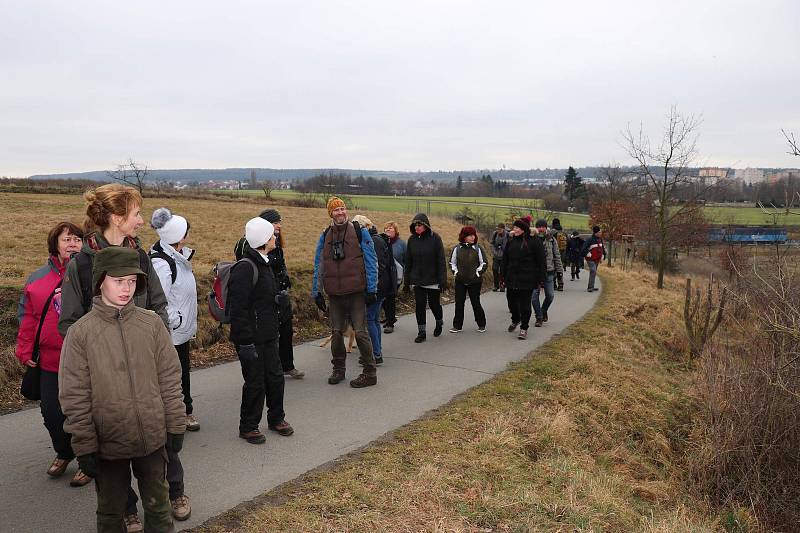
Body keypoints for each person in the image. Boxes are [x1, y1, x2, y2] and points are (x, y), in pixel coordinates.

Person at [57, 184, 189, 530]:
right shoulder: (82, 264)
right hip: (105, 379)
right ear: (117, 217)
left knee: (160, 451)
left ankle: (175, 492)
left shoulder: (141, 256)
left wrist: (153, 334)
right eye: (136, 214)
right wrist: (102, 341)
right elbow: (69, 324)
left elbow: (157, 303)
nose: (142, 221)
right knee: (113, 488)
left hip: (148, 371)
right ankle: (128, 510)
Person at [15, 221, 90, 487]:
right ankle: (64, 451)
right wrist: (24, 350)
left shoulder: (90, 274)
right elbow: (27, 318)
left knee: (83, 414)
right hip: (49, 360)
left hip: (84, 361)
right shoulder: (37, 279)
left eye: (77, 239)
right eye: (67, 239)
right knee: (51, 412)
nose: (72, 244)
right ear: (55, 244)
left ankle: (87, 461)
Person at [229, 217, 294, 444]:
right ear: (264, 240)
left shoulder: (264, 263)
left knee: (275, 377)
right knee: (255, 382)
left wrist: (277, 299)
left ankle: (277, 418)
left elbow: (260, 297)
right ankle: (248, 426)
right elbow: (237, 308)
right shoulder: (245, 268)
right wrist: (245, 342)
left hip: (268, 333)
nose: (276, 237)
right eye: (272, 235)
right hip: (251, 338)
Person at [311, 197, 378, 387]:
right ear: (330, 214)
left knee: (361, 332)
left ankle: (369, 373)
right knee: (336, 332)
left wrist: (372, 289)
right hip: (335, 294)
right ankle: (338, 370)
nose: (340, 212)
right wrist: (316, 291)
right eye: (335, 210)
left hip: (357, 292)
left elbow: (371, 262)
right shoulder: (325, 235)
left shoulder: (359, 232)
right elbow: (319, 264)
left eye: (342, 208)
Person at [234, 209, 304, 379]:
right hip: (264, 297)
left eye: (279, 221)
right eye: (275, 222)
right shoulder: (253, 244)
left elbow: (281, 264)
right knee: (271, 334)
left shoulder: (276, 242)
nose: (279, 225)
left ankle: (286, 365)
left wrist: (285, 280)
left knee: (286, 331)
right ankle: (269, 370)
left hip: (280, 293)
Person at [149, 208, 200, 432]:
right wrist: (176, 321)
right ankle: (179, 415)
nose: (189, 234)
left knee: (181, 371)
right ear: (179, 236)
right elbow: (160, 299)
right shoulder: (162, 263)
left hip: (180, 330)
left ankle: (183, 411)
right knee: (173, 375)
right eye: (186, 231)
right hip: (171, 331)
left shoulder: (177, 256)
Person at [353, 215, 396, 365]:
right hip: (382, 286)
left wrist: (371, 288)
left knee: (370, 320)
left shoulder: (372, 241)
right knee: (374, 320)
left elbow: (376, 266)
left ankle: (375, 354)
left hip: (377, 287)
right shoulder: (378, 238)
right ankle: (377, 351)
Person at [403, 213, 448, 343]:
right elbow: (408, 262)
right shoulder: (412, 240)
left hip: (433, 278)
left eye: (419, 224)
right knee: (420, 305)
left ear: (426, 225)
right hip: (417, 279)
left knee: (434, 305)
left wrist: (442, 280)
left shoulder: (435, 239)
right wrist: (407, 282)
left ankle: (439, 322)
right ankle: (421, 331)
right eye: (415, 225)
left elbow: (441, 261)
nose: (417, 227)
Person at [502, 218, 545, 340]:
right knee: (511, 303)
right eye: (514, 227)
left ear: (523, 229)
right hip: (511, 278)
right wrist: (503, 276)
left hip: (527, 279)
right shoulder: (511, 241)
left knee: (525, 305)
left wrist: (540, 279)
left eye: (517, 228)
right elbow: (505, 259)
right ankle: (516, 319)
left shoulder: (534, 241)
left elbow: (541, 261)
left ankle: (524, 328)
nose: (514, 230)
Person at [448, 226, 488, 333]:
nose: (473, 237)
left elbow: (484, 263)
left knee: (475, 303)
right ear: (464, 237)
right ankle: (457, 326)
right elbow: (452, 263)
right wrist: (456, 273)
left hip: (475, 281)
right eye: (470, 235)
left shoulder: (478, 248)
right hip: (460, 281)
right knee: (459, 303)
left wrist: (477, 273)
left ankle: (481, 324)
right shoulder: (457, 249)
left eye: (473, 235)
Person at [532, 219, 563, 327]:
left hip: (549, 272)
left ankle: (543, 310)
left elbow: (557, 256)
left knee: (550, 295)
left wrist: (560, 272)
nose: (540, 228)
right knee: (534, 297)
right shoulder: (532, 239)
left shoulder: (552, 240)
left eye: (542, 226)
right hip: (534, 273)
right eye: (538, 226)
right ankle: (539, 317)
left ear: (546, 228)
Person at [381, 221, 405, 334]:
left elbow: (406, 260)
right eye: (386, 229)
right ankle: (389, 317)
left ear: (396, 230)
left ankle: (390, 323)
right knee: (384, 299)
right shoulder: (382, 242)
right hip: (385, 275)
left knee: (390, 298)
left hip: (397, 276)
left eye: (390, 228)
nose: (388, 230)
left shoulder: (401, 244)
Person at [582, 225, 606, 292]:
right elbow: (583, 249)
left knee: (594, 272)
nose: (600, 233)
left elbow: (602, 248)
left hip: (597, 259)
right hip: (590, 259)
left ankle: (592, 286)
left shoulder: (600, 239)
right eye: (599, 232)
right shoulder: (589, 240)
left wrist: (603, 255)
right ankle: (590, 287)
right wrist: (587, 253)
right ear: (596, 233)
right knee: (593, 270)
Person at [551, 218, 568, 291]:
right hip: (562, 252)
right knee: (559, 267)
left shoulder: (552, 232)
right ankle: (560, 285)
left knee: (553, 268)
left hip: (554, 252)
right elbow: (568, 242)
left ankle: (553, 284)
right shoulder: (564, 233)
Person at [489, 223, 508, 291]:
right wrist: (494, 251)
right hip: (496, 255)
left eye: (500, 229)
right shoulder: (495, 234)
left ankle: (502, 285)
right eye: (497, 229)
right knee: (495, 269)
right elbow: (492, 244)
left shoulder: (507, 235)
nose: (498, 230)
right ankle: (496, 285)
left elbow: (508, 245)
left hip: (504, 256)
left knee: (503, 271)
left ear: (503, 229)